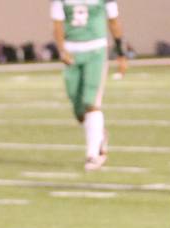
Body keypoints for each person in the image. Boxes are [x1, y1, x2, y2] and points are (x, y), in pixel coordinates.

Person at [51, 0, 127, 171]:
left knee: (91, 102)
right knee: (78, 108)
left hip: (96, 50)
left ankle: (93, 154)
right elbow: (57, 24)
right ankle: (99, 134)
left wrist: (121, 54)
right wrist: (62, 49)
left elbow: (113, 20)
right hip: (72, 51)